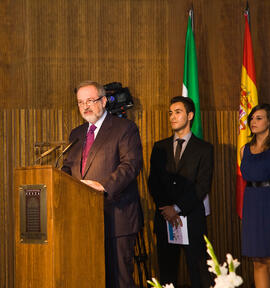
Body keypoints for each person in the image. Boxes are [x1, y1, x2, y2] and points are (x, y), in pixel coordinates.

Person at [61, 80, 143, 288]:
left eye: (90, 100)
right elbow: (68, 168)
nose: (85, 106)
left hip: (117, 218)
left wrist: (103, 185)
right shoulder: (76, 134)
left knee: (120, 281)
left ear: (104, 100)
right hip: (85, 221)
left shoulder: (124, 128)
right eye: (80, 102)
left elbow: (130, 166)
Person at [148, 96, 213, 288]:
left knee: (198, 272)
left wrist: (177, 208)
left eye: (178, 112)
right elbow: (154, 182)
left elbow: (202, 185)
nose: (172, 117)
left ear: (190, 115)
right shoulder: (160, 147)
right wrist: (165, 208)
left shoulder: (204, 148)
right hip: (165, 219)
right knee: (167, 274)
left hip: (191, 218)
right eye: (170, 113)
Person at [240, 103, 270, 288]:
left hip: (268, 202)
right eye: (252, 118)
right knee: (258, 260)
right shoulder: (245, 149)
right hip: (252, 205)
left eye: (259, 118)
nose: (253, 121)